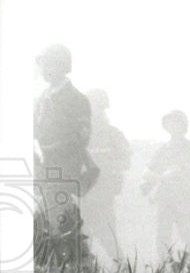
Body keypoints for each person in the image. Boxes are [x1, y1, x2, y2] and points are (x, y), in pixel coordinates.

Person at [33, 44, 99, 259]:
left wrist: (47, 151)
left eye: (47, 64)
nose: (43, 69)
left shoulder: (76, 99)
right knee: (43, 230)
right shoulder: (42, 98)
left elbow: (80, 139)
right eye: (42, 64)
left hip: (61, 174)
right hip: (41, 173)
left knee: (61, 232)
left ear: (61, 65)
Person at [141, 110, 190, 257]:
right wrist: (161, 178)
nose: (173, 126)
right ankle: (164, 270)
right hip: (164, 199)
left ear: (183, 125)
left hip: (185, 198)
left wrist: (177, 173)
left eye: (176, 122)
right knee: (162, 238)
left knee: (189, 236)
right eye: (170, 122)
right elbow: (146, 172)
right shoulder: (162, 150)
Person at [81, 89, 131, 260]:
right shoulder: (79, 135)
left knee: (109, 238)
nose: (94, 111)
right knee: (82, 240)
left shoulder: (113, 134)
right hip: (81, 195)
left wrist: (106, 166)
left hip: (104, 195)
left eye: (97, 107)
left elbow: (126, 161)